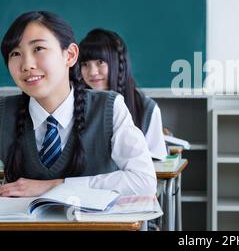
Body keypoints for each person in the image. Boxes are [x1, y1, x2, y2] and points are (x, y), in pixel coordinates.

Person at [0, 11, 156, 198]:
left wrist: (56, 186)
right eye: (15, 53)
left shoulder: (109, 107)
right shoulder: (4, 112)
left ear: (71, 55)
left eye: (38, 49)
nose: (26, 65)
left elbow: (144, 182)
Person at [79, 28, 167, 160]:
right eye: (85, 64)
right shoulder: (75, 103)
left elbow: (156, 162)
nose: (92, 72)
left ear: (117, 63)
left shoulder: (146, 108)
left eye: (100, 62)